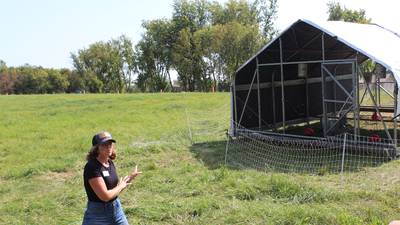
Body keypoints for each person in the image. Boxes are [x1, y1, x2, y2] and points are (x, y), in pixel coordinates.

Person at [82, 131, 141, 225]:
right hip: (97, 216)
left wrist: (128, 179)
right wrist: (121, 186)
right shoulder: (92, 167)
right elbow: (105, 196)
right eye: (104, 145)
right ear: (96, 148)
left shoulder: (109, 163)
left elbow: (113, 191)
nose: (108, 147)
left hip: (117, 211)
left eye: (110, 144)